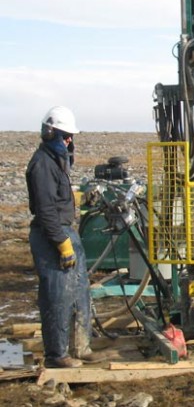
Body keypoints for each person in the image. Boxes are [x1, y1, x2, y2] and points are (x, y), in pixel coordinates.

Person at [26, 106, 101, 368]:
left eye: (71, 136)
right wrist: (61, 243)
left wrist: (80, 198)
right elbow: (46, 210)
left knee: (79, 291)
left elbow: (58, 198)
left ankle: (80, 346)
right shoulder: (42, 164)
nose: (69, 141)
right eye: (65, 136)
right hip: (51, 236)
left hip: (66, 232)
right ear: (51, 134)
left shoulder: (56, 162)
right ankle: (57, 355)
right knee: (57, 296)